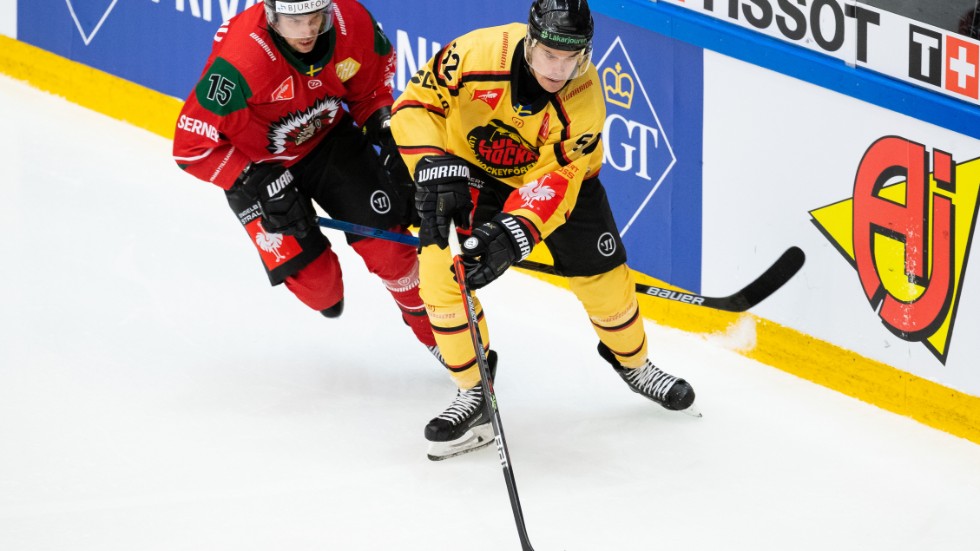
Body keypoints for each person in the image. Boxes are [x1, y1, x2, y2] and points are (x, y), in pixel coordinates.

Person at [391, 0, 698, 461]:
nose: (559, 68)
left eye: (571, 57)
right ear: (530, 43)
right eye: (550, 55)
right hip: (470, 173)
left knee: (606, 284)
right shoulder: (476, 53)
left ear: (585, 54)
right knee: (441, 270)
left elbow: (558, 182)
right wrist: (433, 164)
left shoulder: (585, 100)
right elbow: (416, 105)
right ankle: (474, 391)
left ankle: (633, 363)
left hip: (558, 183)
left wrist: (517, 231)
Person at [172, 0, 439, 359]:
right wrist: (253, 179)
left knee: (393, 253)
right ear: (271, 14)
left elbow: (371, 90)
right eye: (295, 20)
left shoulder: (351, 22)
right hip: (258, 169)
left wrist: (387, 132)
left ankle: (443, 341)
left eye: (316, 17)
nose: (309, 30)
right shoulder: (240, 61)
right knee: (323, 292)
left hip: (328, 143)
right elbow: (190, 147)